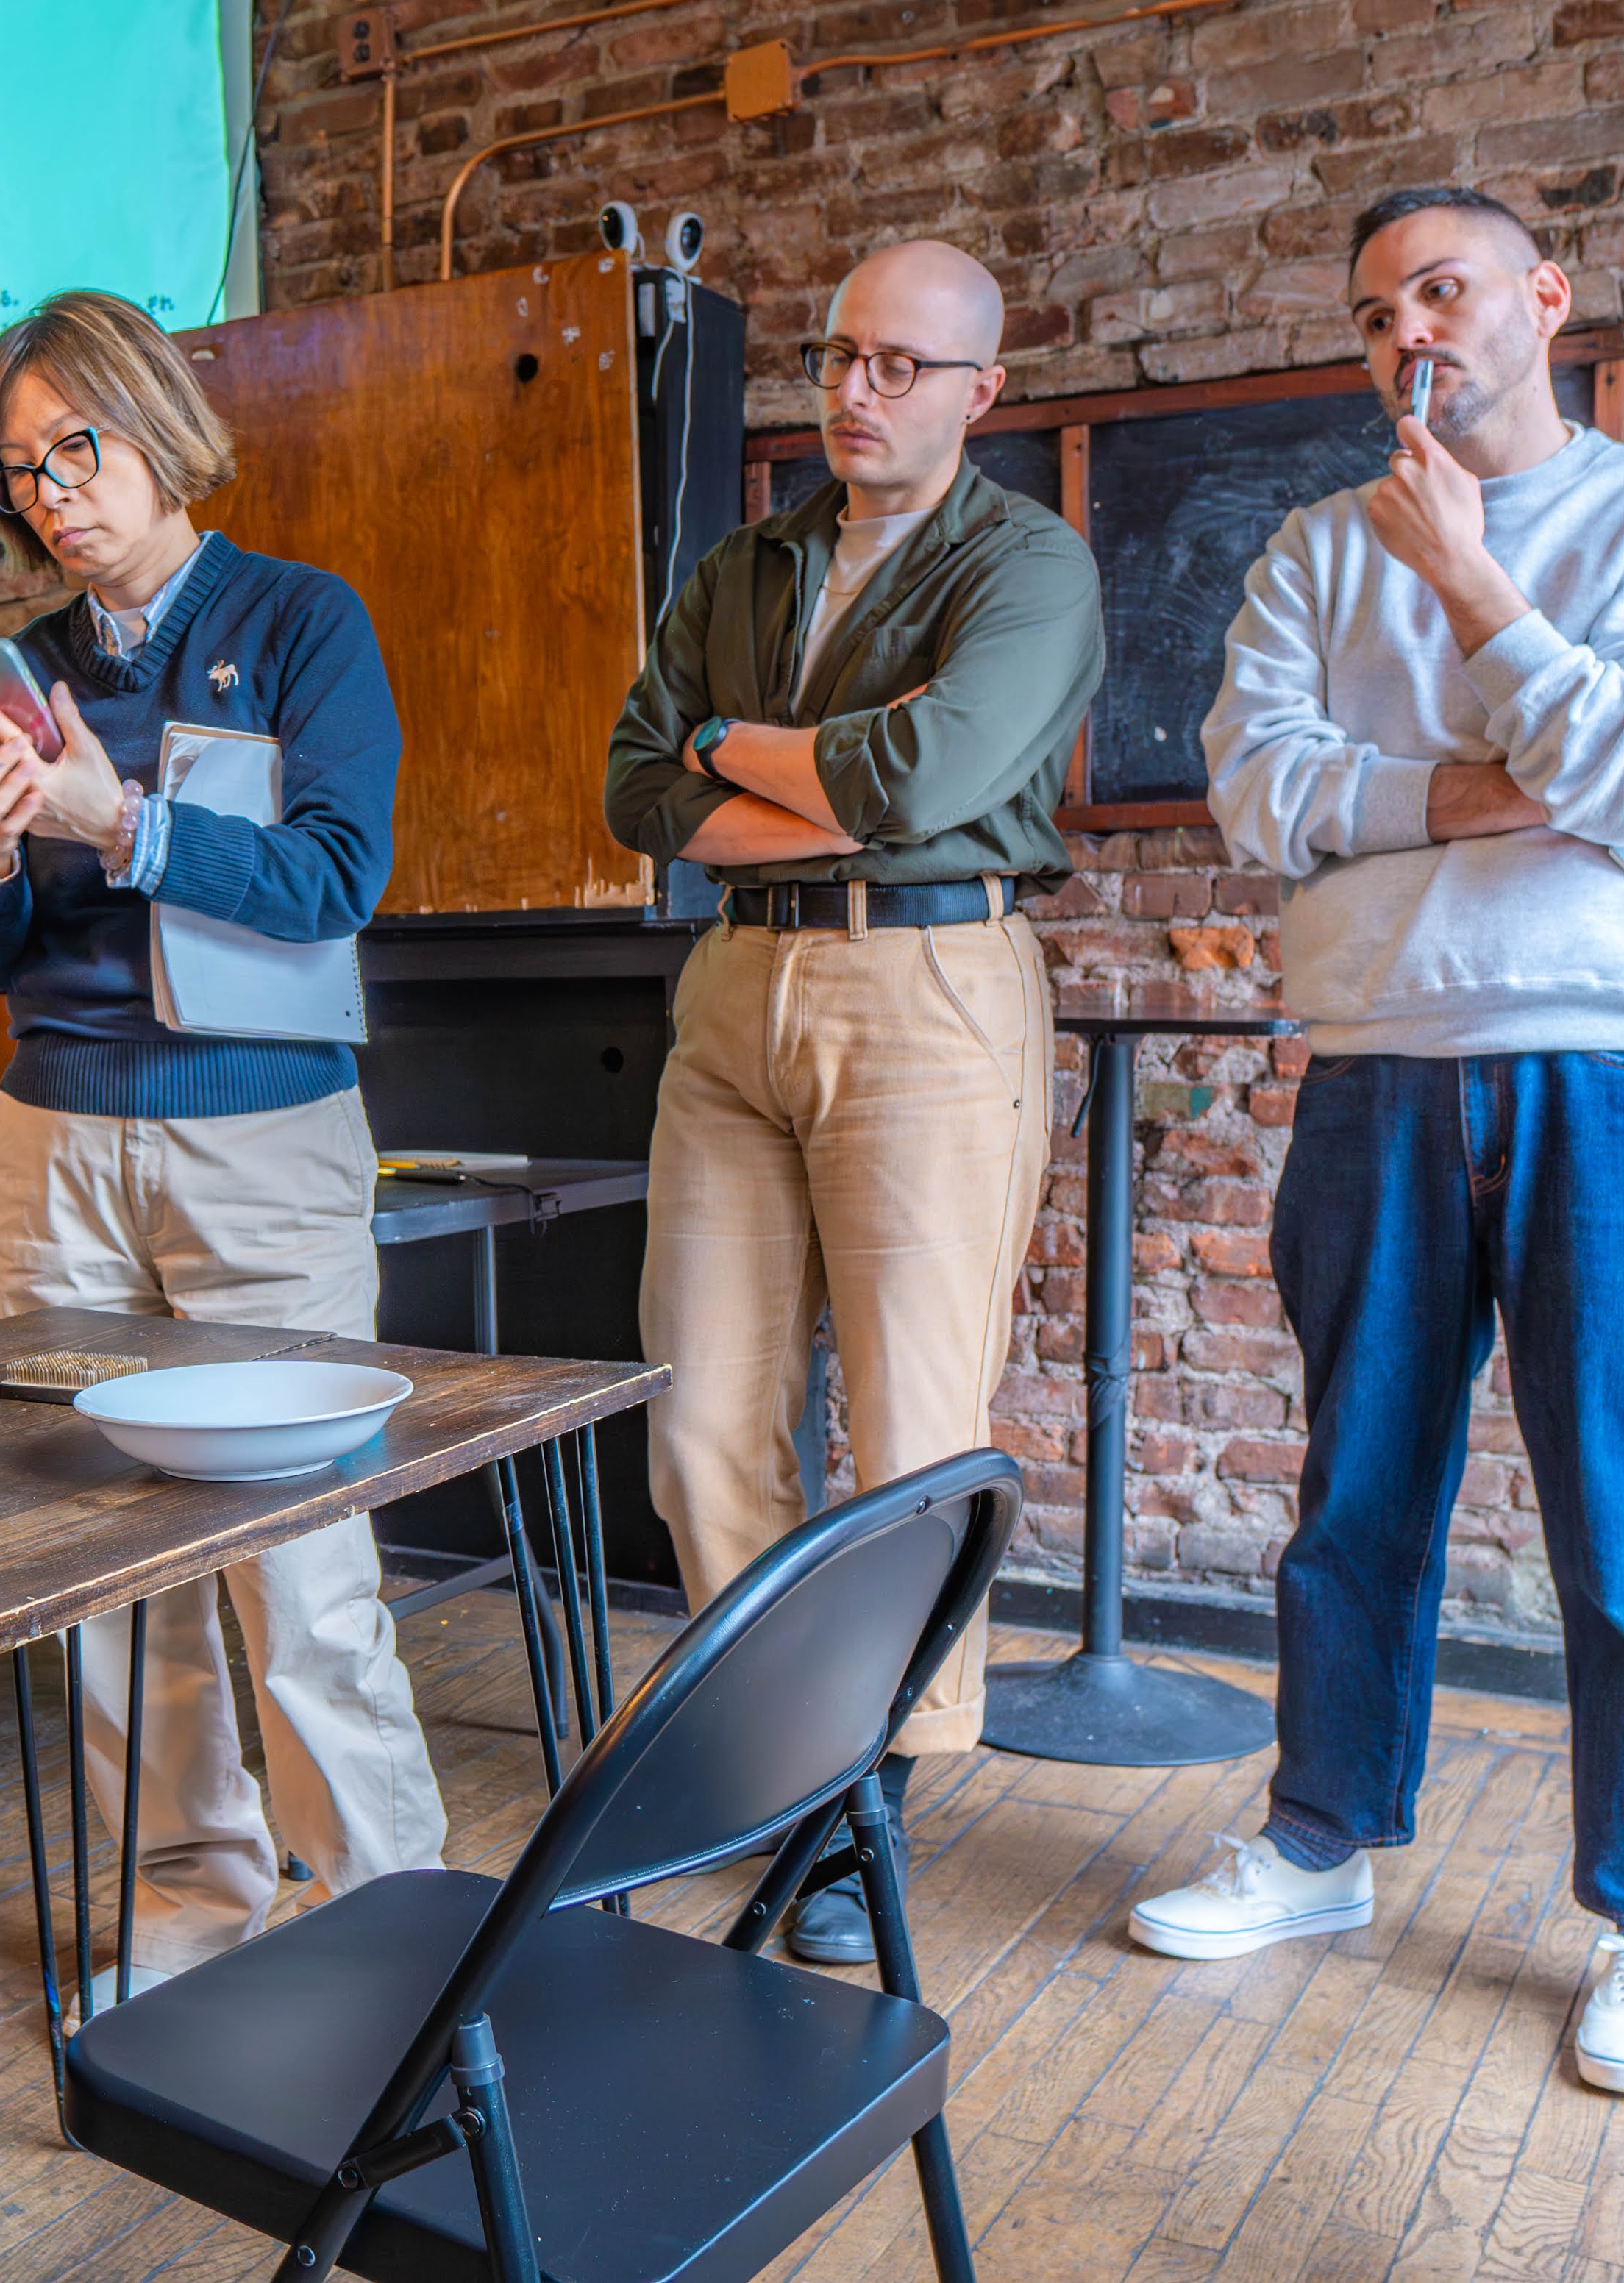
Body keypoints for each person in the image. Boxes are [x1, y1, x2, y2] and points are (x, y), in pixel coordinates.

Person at [1144, 186, 1624, 2101]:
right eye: (1368, 308)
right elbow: (1261, 794)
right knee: (1354, 1501)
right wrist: (1503, 783)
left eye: (1439, 286)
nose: (1402, 325)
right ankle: (1320, 1842)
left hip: (1619, 1077)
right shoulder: (1314, 556)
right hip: (1377, 1072)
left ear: (1541, 300)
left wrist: (1478, 583)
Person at [602, 238, 1103, 1966]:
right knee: (696, 1413)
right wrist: (809, 776)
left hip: (929, 981)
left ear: (979, 389)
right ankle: (761, 1752)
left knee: (903, 1427)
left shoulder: (1024, 564)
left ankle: (870, 1784)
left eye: (901, 363)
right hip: (736, 982)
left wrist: (733, 747)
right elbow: (628, 784)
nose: (856, 389)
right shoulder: (741, 562)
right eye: (838, 356)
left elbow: (929, 778)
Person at [0, 288, 446, 1978]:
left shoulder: (301, 617)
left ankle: (382, 1918)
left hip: (259, 1148)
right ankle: (182, 1895)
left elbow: (327, 880)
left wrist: (119, 817)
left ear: (157, 422)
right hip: (54, 1140)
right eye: (20, 472)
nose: (52, 492)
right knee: (105, 1568)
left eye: (76, 445)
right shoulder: (14, 670)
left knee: (298, 1568)